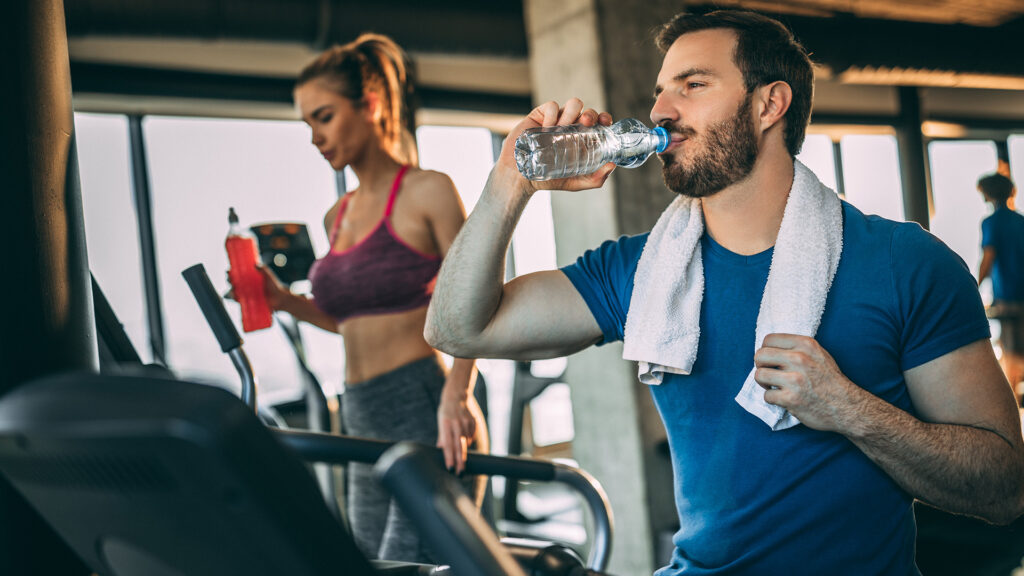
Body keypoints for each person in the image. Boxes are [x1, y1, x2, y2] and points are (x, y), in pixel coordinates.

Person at [425, 9, 1024, 575]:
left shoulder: (905, 264)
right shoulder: (639, 272)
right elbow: (457, 328)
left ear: (770, 104)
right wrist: (512, 180)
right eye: (660, 90)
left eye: (693, 85)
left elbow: (1004, 486)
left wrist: (849, 410)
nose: (660, 110)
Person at [255, 33, 488, 564]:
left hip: (423, 404)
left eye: (325, 116)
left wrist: (459, 389)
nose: (315, 136)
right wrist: (284, 301)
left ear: (371, 106)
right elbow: (351, 321)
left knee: (416, 566)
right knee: (366, 565)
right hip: (358, 412)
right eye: (308, 124)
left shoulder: (428, 190)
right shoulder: (335, 218)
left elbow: (477, 297)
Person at [977, 172, 1024, 399]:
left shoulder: (991, 223)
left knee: (1012, 352)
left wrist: (973, 286)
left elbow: (989, 257)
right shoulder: (1021, 221)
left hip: (1008, 297)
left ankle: (1013, 407)